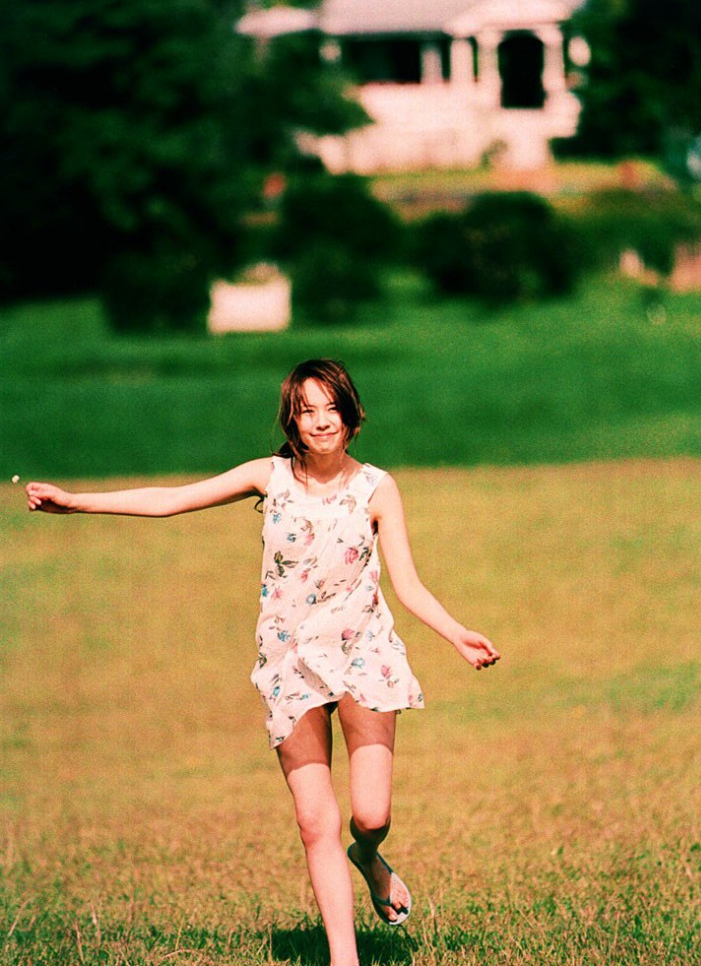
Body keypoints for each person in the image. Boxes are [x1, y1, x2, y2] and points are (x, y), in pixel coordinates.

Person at [25, 358, 500, 966]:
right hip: (289, 664)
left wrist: (456, 634)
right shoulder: (268, 476)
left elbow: (406, 583)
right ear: (292, 421)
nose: (320, 421)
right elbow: (173, 499)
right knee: (314, 821)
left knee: (370, 813)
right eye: (307, 410)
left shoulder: (377, 488)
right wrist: (77, 503)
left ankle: (367, 855)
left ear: (352, 417)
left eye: (331, 408)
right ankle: (345, 958)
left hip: (363, 654)